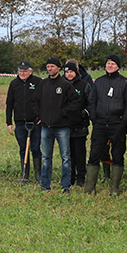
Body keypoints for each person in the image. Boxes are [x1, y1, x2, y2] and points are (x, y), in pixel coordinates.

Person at [85, 55, 127, 196]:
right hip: (100, 124)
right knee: (94, 154)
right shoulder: (99, 82)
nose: (110, 66)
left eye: (112, 63)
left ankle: (115, 188)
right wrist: (94, 118)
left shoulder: (124, 83)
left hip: (117, 124)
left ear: (118, 66)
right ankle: (90, 188)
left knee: (117, 155)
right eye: (108, 63)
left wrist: (123, 122)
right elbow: (92, 101)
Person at [36, 59, 83, 192]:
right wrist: (40, 115)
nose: (50, 69)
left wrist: (64, 112)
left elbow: (76, 101)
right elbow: (35, 101)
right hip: (46, 126)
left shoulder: (65, 85)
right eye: (48, 66)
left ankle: (66, 185)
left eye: (52, 66)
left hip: (62, 126)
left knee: (65, 157)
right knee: (46, 157)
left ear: (58, 68)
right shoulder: (43, 83)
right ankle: (45, 185)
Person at [5, 61, 42, 181]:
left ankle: (38, 175)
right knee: (22, 148)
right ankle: (25, 174)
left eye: (25, 71)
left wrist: (42, 117)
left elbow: (44, 101)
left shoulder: (38, 82)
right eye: (20, 71)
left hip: (35, 122)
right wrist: (9, 122)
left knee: (35, 148)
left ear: (30, 71)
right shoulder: (14, 84)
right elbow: (9, 104)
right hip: (20, 122)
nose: (22, 73)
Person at [67, 60, 93, 188]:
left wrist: (85, 113)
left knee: (80, 153)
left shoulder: (84, 85)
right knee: (68, 153)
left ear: (76, 72)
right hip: (66, 125)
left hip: (80, 125)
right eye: (67, 72)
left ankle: (81, 177)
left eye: (71, 71)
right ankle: (70, 177)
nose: (69, 74)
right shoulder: (62, 85)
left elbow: (91, 102)